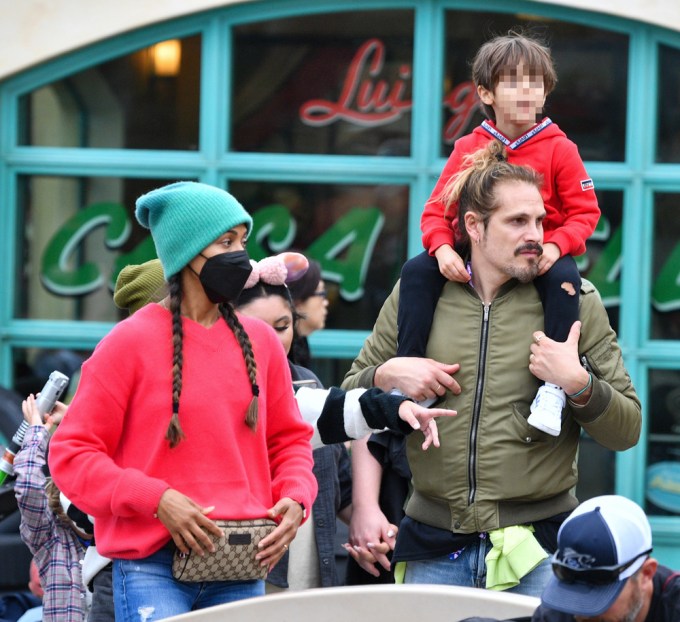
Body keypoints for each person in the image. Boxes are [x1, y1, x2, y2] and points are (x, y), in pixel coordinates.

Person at [341, 142, 641, 597]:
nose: (536, 234)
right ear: (474, 226)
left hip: (539, 552)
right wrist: (387, 376)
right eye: (518, 221)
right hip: (433, 547)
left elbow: (627, 430)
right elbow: (348, 397)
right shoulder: (417, 295)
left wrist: (577, 383)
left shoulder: (575, 300)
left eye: (540, 220)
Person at [48, 181, 318, 621]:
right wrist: (156, 499)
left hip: (242, 562)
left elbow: (290, 442)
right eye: (225, 242)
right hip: (150, 566)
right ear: (185, 252)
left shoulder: (263, 343)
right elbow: (72, 455)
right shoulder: (126, 344)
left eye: (242, 242)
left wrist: (296, 496)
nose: (240, 256)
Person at [397, 30, 600, 437]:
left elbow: (584, 213)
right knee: (416, 272)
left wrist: (557, 244)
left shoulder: (561, 149)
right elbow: (436, 210)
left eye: (536, 83)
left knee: (565, 281)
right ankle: (411, 375)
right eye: (513, 82)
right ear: (486, 93)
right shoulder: (468, 147)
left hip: (540, 255)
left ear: (546, 93)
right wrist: (440, 250)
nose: (527, 92)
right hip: (471, 255)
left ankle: (553, 389)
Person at [531, 495, 680, 621]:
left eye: (601, 593)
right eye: (573, 590)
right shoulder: (557, 611)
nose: (582, 613)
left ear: (646, 573)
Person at [13, 394, 89, 621]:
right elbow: (27, 486)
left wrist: (75, 420)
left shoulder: (118, 536)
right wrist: (37, 431)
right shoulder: (51, 539)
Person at [287, 259, 328, 371]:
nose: (326, 302)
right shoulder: (285, 352)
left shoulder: (301, 345)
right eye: (322, 294)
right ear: (297, 301)